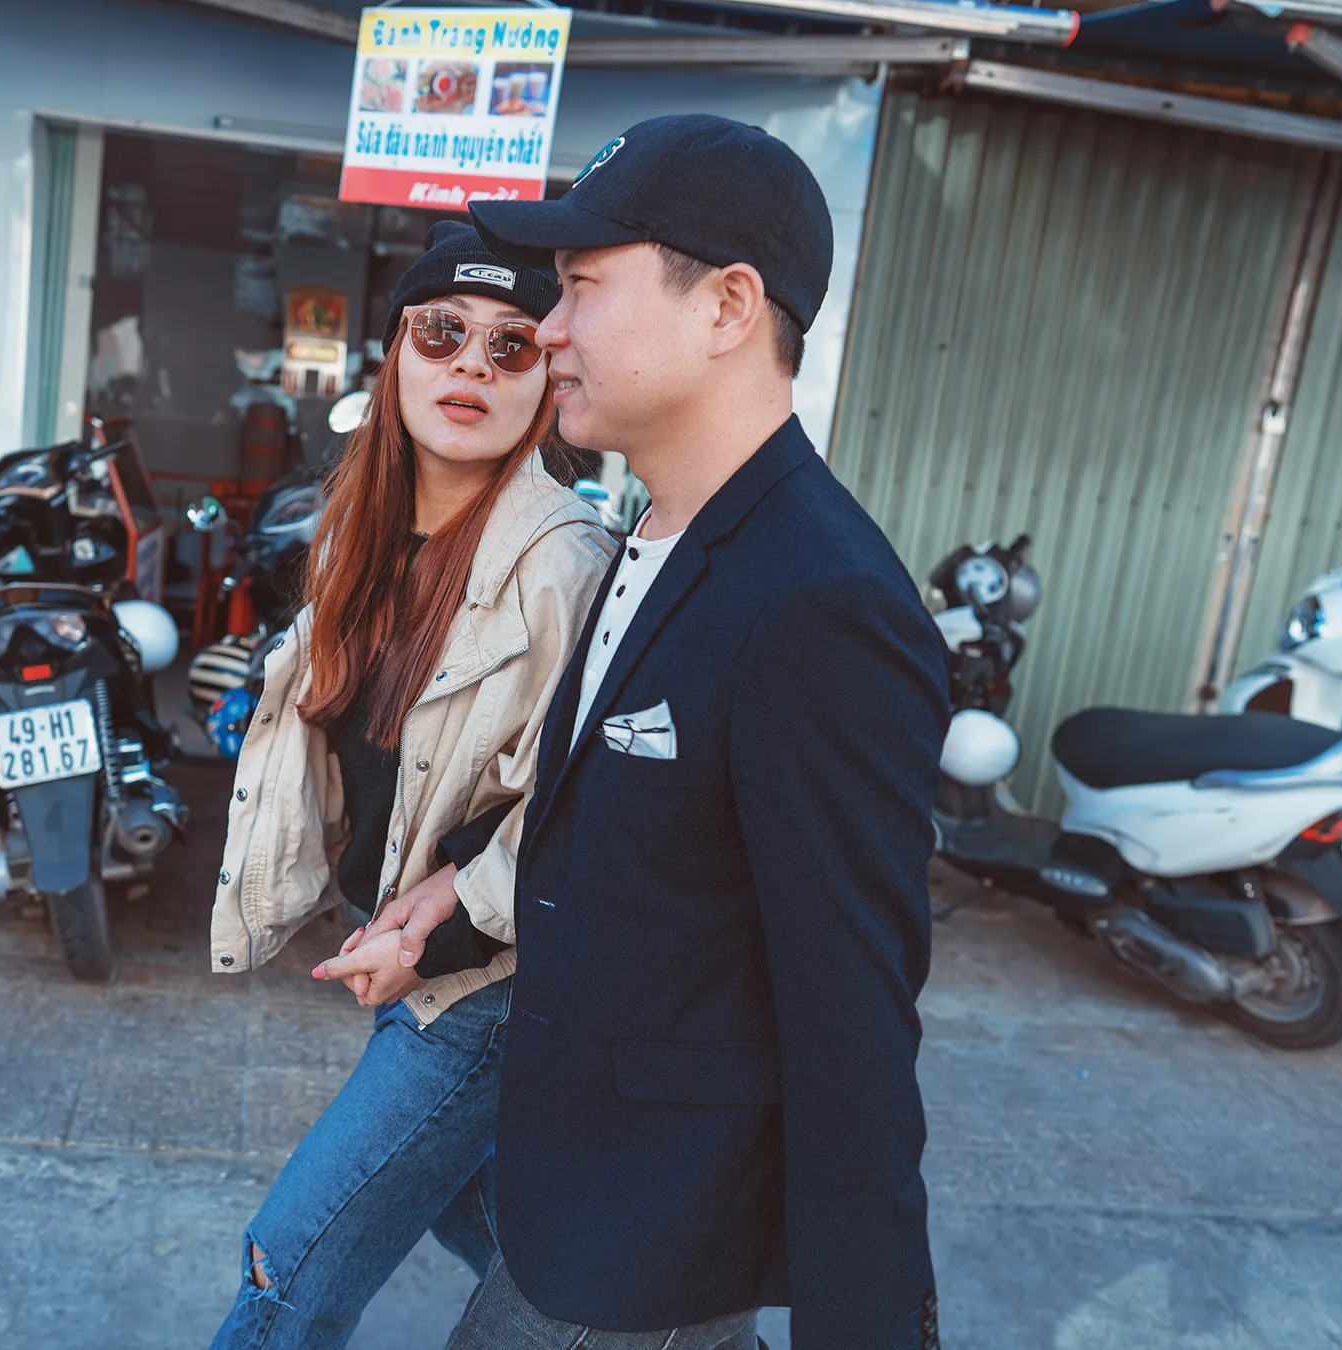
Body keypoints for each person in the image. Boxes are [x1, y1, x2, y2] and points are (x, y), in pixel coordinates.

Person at [369, 116, 951, 1349]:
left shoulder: (820, 601)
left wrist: (867, 1325)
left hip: (650, 1235)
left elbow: (853, 1014)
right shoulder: (650, 530)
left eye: (581, 284)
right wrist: (457, 899)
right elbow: (633, 832)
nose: (548, 327)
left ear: (727, 306)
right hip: (570, 1171)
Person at [207, 221, 617, 1349]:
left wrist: (439, 933)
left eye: (511, 344)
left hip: (486, 982)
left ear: (547, 378)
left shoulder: (564, 564)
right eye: (442, 332)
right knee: (498, 1233)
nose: (471, 365)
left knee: (287, 1270)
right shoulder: (359, 532)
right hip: (413, 954)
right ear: (394, 354)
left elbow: (582, 807)